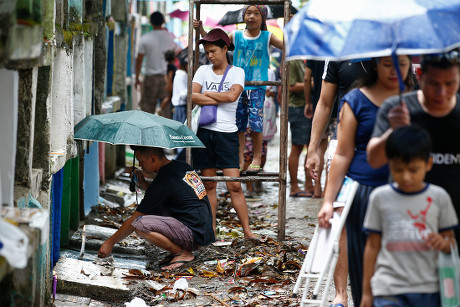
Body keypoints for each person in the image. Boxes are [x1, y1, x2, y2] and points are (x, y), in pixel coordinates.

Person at [317, 56, 413, 307]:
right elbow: (343, 154)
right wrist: (329, 201)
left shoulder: (417, 102)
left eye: (401, 64)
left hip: (405, 195)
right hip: (362, 192)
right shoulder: (355, 101)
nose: (394, 71)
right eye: (387, 64)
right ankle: (346, 295)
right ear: (375, 66)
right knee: (363, 274)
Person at [367, 50, 460, 248]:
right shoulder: (398, 108)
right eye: (434, 83)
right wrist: (393, 130)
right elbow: (374, 159)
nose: (441, 92)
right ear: (420, 76)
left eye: (450, 84)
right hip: (407, 225)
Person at [361, 125, 458, 307]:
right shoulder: (379, 198)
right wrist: (367, 293)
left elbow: (450, 241)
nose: (406, 177)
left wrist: (443, 243)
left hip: (429, 289)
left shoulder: (439, 197)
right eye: (398, 169)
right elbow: (372, 246)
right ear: (389, 164)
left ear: (428, 164)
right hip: (388, 289)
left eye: (413, 170)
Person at [194, 5, 284, 174]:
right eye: (248, 13)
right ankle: (240, 159)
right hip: (238, 86)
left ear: (262, 18)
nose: (252, 16)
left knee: (256, 123)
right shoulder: (235, 35)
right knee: (240, 124)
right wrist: (200, 29)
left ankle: (257, 158)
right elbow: (214, 42)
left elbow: (285, 46)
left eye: (256, 13)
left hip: (257, 86)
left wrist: (291, 29)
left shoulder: (267, 36)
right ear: (243, 16)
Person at [98, 146, 215, 271]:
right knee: (155, 211)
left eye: (141, 161)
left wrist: (109, 243)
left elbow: (135, 218)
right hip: (203, 231)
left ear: (153, 159)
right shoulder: (181, 166)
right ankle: (178, 251)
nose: (140, 165)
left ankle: (182, 253)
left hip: (193, 235)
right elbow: (161, 196)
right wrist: (142, 182)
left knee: (140, 224)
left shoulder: (163, 178)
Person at [191, 28, 256, 239]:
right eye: (207, 52)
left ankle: (247, 231)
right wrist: (220, 96)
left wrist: (207, 94)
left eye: (213, 51)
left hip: (227, 134)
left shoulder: (237, 71)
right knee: (208, 184)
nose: (209, 56)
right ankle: (210, 232)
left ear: (225, 48)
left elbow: (234, 96)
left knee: (234, 185)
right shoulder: (202, 70)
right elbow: (192, 97)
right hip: (204, 133)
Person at [306, 60, 368, 182]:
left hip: (382, 144)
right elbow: (324, 103)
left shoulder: (387, 52)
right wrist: (312, 149)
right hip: (342, 142)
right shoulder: (337, 52)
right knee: (338, 197)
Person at [135, 12, 181, 115]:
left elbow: (139, 60)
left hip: (150, 78)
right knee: (166, 110)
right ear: (163, 21)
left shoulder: (145, 38)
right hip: (167, 78)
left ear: (151, 22)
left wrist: (137, 78)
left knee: (146, 111)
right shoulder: (169, 37)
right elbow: (179, 52)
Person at [287, 59, 315, 197]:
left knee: (310, 146)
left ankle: (308, 184)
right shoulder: (294, 61)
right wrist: (311, 84)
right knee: (297, 147)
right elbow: (291, 86)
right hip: (298, 106)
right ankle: (294, 186)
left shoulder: (308, 59)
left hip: (306, 105)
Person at [304, 60, 328, 198]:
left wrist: (308, 102)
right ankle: (328, 188)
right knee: (335, 148)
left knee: (320, 148)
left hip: (321, 104)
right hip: (340, 105)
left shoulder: (314, 52)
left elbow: (307, 78)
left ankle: (317, 187)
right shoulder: (338, 47)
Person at [158, 50, 178, 118]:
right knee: (169, 98)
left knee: (169, 98)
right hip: (171, 84)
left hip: (171, 84)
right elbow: (170, 76)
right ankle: (160, 109)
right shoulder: (172, 66)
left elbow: (166, 76)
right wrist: (169, 85)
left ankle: (161, 109)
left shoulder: (169, 65)